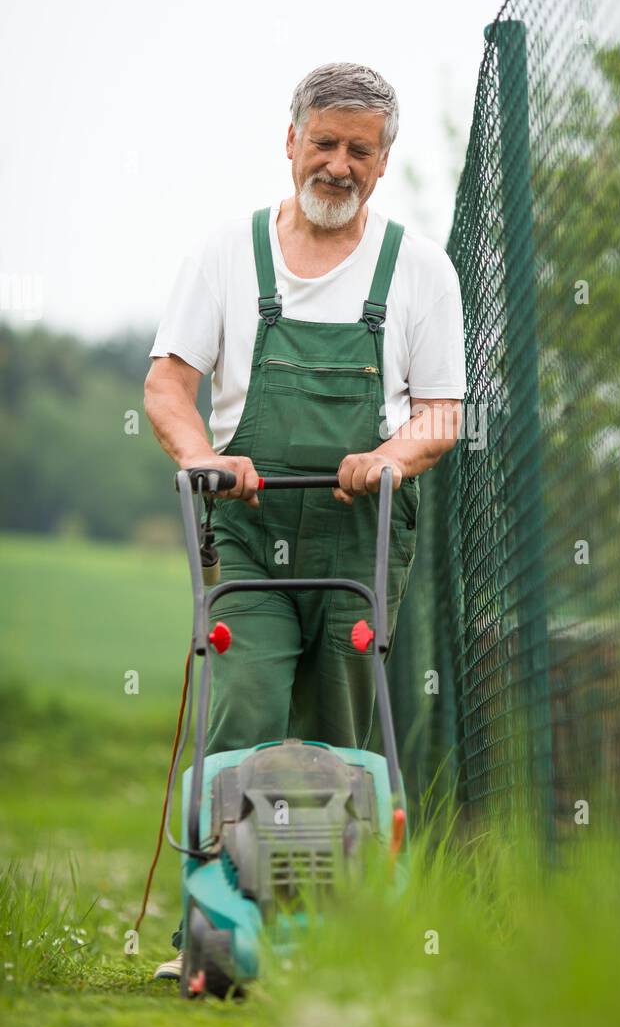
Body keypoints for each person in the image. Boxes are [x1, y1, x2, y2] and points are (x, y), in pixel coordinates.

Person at [143, 62, 466, 979]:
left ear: (383, 160)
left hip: (356, 539)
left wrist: (389, 457)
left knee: (340, 737)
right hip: (245, 532)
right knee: (241, 714)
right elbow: (168, 383)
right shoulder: (226, 255)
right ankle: (208, 940)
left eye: (359, 151)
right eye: (323, 143)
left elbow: (442, 410)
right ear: (291, 142)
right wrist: (204, 457)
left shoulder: (417, 269)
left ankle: (329, 939)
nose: (338, 164)